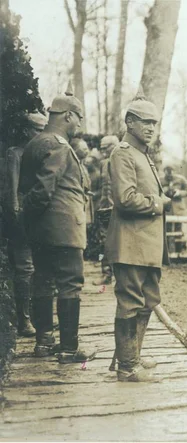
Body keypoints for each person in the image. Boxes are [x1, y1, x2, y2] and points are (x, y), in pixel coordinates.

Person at [19, 81, 95, 362]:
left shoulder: (35, 143)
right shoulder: (60, 145)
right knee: (70, 284)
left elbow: (29, 190)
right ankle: (68, 348)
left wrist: (31, 221)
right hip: (64, 230)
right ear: (68, 116)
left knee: (42, 282)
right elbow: (43, 190)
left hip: (40, 230)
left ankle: (43, 343)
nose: (79, 125)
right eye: (78, 118)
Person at [105, 86, 171, 382]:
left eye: (154, 124)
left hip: (146, 244)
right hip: (131, 243)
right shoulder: (123, 154)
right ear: (129, 122)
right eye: (145, 122)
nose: (151, 129)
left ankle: (132, 354)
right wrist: (157, 203)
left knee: (148, 299)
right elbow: (126, 198)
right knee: (130, 300)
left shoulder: (143, 155)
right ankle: (126, 367)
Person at [2, 111, 47, 337]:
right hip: (21, 220)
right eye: (37, 130)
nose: (41, 134)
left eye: (43, 130)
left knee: (41, 269)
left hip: (40, 219)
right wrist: (17, 216)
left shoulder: (40, 154)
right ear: (26, 130)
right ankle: (24, 321)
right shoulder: (16, 154)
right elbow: (12, 191)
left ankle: (40, 320)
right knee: (25, 269)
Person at [92, 135, 119, 285]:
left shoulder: (122, 161)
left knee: (119, 242)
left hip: (118, 208)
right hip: (104, 208)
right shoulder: (103, 163)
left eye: (105, 148)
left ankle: (121, 276)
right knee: (104, 242)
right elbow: (101, 187)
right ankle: (106, 273)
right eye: (101, 148)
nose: (102, 152)